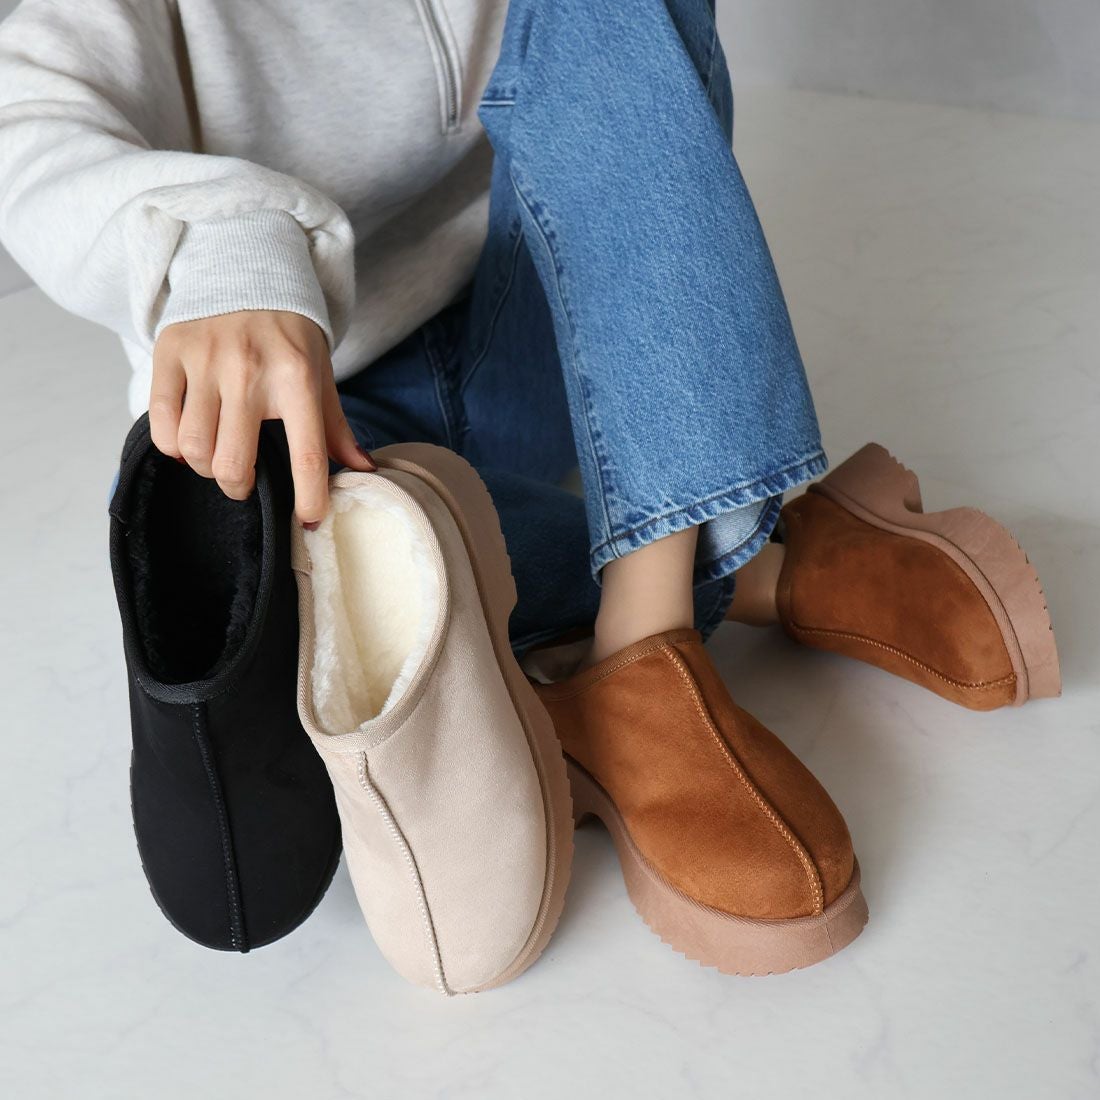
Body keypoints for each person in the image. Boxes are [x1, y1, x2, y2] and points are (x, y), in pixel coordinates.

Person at [0, 0, 1058, 972]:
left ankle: (643, 643)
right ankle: (770, 567)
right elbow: (25, 117)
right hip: (325, 412)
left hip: (544, 312)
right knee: (300, 588)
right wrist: (228, 248)